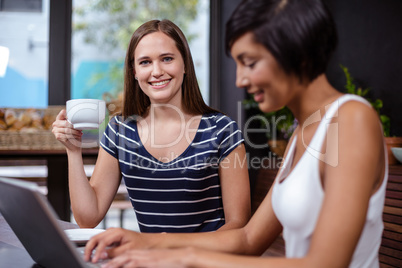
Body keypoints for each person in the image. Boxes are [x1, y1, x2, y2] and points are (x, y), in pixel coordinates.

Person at [84, 0, 388, 267]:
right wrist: (147, 244)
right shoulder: (302, 135)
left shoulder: (352, 119)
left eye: (250, 63)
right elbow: (247, 240)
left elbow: (325, 264)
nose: (240, 80)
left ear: (297, 55)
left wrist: (181, 257)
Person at [52, 19, 251, 233]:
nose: (156, 71)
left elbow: (238, 226)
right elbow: (87, 218)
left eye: (167, 59)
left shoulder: (222, 130)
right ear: (134, 72)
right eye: (145, 62)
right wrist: (73, 150)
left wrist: (171, 250)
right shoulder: (120, 130)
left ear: (185, 64)